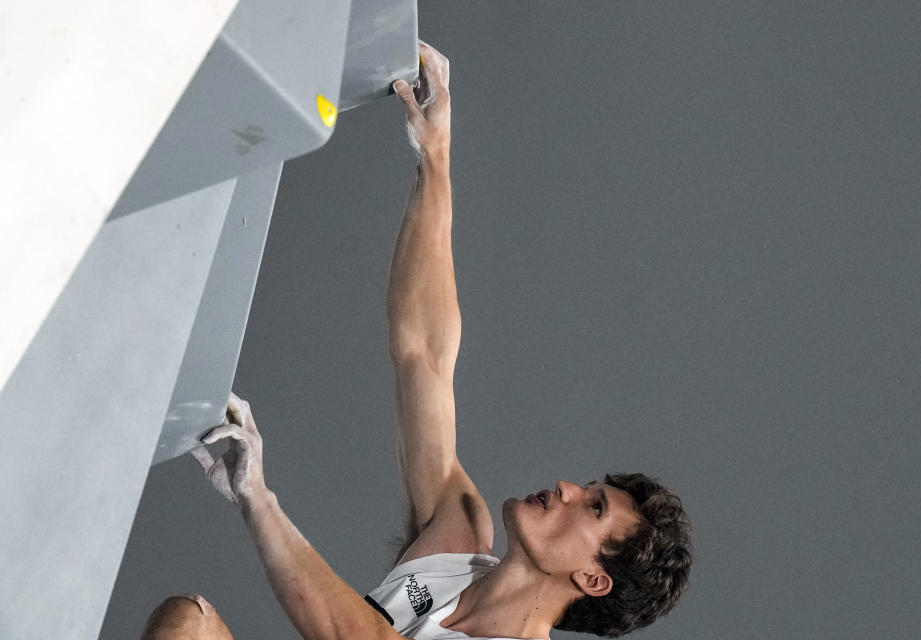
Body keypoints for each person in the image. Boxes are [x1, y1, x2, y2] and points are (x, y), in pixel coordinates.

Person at [141, 42, 692, 640]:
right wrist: (436, 158)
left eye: (592, 508)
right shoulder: (456, 544)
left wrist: (257, 498)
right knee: (184, 624)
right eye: (589, 487)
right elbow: (423, 356)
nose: (566, 487)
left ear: (593, 580)